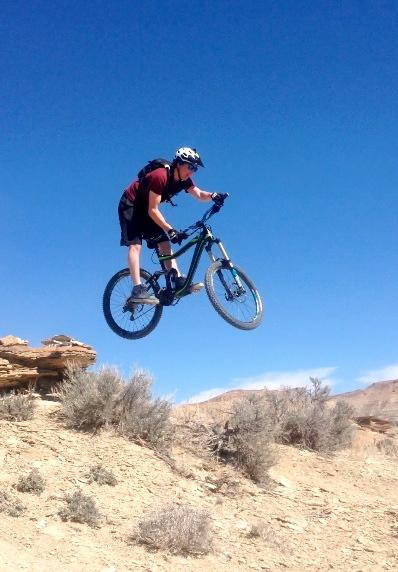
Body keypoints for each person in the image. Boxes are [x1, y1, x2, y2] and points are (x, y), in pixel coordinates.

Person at [118, 147, 226, 304]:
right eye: (190, 166)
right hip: (131, 205)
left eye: (195, 168)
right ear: (179, 163)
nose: (192, 171)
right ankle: (137, 289)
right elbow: (153, 210)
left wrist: (213, 195)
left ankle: (176, 280)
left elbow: (199, 194)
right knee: (135, 246)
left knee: (164, 243)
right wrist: (171, 229)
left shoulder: (185, 180)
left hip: (147, 210)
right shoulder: (160, 176)